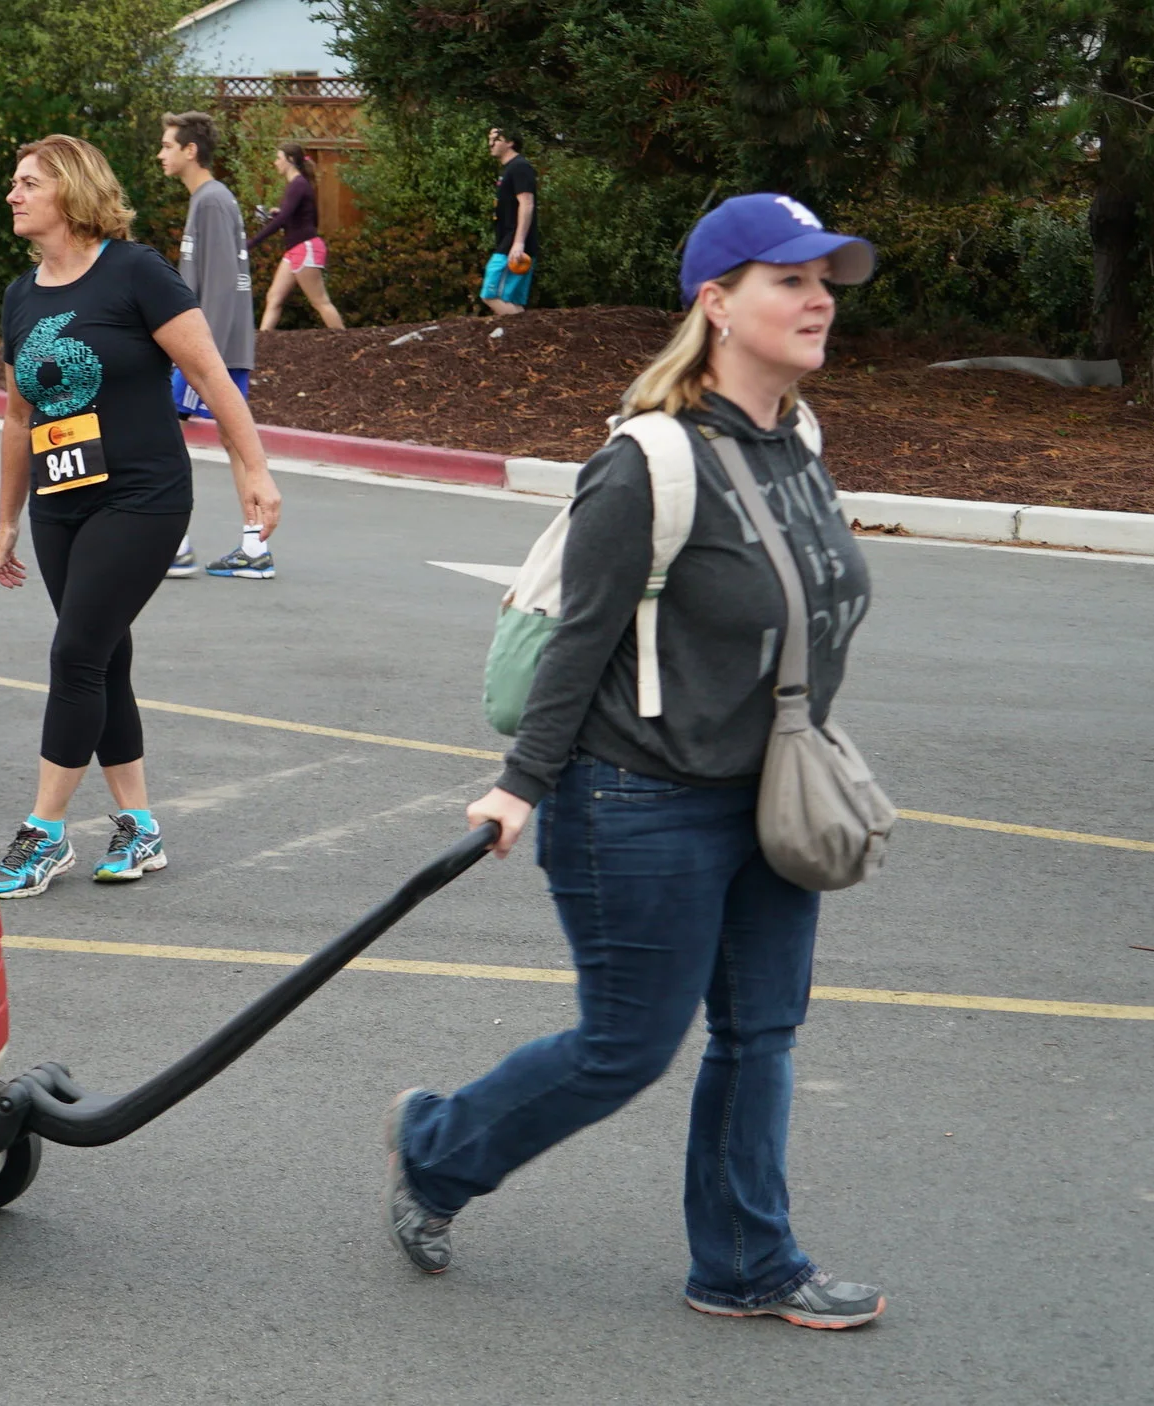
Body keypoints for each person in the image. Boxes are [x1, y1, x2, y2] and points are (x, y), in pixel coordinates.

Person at [382, 193, 887, 1329]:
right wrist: (520, 784)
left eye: (825, 281)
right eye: (790, 280)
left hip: (766, 795)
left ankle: (746, 1264)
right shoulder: (647, 462)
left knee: (760, 1033)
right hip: (637, 798)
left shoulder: (796, 441)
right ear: (717, 304)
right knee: (625, 1046)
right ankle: (435, 1149)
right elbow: (579, 639)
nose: (818, 300)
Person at [0, 134, 280, 897]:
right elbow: (18, 418)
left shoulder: (135, 272)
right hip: (59, 501)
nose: (13, 195)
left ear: (72, 190)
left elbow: (210, 374)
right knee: (103, 656)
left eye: (28, 183)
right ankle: (139, 825)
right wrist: (8, 518)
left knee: (76, 653)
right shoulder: (21, 297)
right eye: (15, 183)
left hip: (141, 497)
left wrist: (253, 468)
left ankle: (45, 832)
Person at [154, 111, 271, 582]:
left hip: (210, 350)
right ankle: (254, 547)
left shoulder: (212, 201)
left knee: (158, 432)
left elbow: (222, 287)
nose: (160, 154)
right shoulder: (206, 200)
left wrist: (202, 361)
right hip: (213, 349)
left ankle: (175, 545)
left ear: (190, 150)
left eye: (167, 145)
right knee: (230, 440)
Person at [249, 142, 342, 334]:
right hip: (295, 250)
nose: (275, 162)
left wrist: (251, 243)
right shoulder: (297, 185)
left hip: (305, 248)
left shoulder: (298, 185)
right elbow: (306, 218)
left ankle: (344, 340)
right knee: (274, 297)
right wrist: (280, 214)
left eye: (278, 158)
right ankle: (262, 342)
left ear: (290, 160)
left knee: (320, 301)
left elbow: (285, 220)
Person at [480, 128, 537, 316]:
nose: (490, 144)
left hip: (514, 244)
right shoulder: (509, 169)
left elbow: (527, 203)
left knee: (490, 295)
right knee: (510, 301)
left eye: (496, 139)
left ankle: (526, 331)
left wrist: (518, 243)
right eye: (489, 139)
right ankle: (523, 333)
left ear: (510, 142)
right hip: (509, 242)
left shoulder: (520, 167)